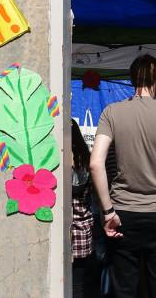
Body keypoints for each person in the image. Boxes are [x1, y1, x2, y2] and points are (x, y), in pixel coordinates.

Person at [89, 54, 156, 298]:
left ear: (132, 78)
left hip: (124, 214)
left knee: (124, 289)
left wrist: (108, 212)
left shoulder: (112, 112)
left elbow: (95, 164)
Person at [71, 119, 97, 298]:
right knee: (78, 282)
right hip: (82, 228)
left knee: (77, 283)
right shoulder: (85, 156)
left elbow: (75, 189)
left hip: (78, 229)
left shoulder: (79, 160)